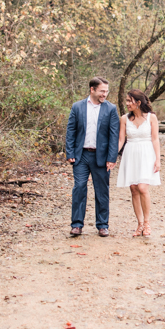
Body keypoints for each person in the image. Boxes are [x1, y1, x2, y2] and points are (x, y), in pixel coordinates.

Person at [65, 77, 120, 237]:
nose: (105, 94)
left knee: (102, 191)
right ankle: (76, 225)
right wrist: (70, 153)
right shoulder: (77, 107)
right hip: (81, 155)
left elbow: (113, 135)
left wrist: (112, 157)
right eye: (102, 91)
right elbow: (71, 131)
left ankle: (102, 225)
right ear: (92, 90)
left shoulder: (111, 109)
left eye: (106, 91)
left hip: (101, 157)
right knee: (79, 188)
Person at [117, 89, 161, 237]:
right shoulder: (124, 119)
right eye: (127, 100)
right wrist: (112, 156)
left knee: (142, 187)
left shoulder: (151, 118)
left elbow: (155, 139)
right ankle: (139, 224)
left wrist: (158, 159)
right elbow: (121, 140)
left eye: (130, 101)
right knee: (134, 188)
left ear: (138, 102)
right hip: (130, 153)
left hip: (146, 154)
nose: (127, 103)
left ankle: (147, 223)